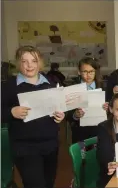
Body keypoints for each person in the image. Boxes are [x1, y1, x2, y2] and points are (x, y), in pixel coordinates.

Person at [1, 46, 65, 188]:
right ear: (19, 63)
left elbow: (58, 109)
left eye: (34, 61)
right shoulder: (8, 86)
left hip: (50, 145)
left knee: (48, 184)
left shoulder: (51, 84)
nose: (29, 65)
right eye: (25, 61)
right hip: (24, 147)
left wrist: (60, 116)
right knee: (35, 184)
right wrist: (12, 112)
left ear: (39, 62)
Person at [66, 57, 108, 143]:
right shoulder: (72, 89)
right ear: (79, 72)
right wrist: (75, 115)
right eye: (85, 71)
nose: (88, 75)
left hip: (99, 128)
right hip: (80, 131)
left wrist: (108, 108)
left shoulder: (103, 87)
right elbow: (66, 113)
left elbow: (112, 107)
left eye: (91, 71)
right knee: (82, 154)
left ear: (95, 71)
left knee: (98, 153)